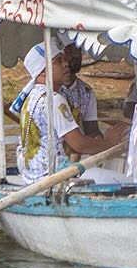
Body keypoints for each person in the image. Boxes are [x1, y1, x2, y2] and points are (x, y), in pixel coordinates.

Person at [15, 43, 125, 187]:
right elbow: (79, 144)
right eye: (59, 61)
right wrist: (110, 143)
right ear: (42, 71)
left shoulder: (31, 97)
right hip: (54, 177)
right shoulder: (54, 100)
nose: (66, 64)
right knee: (128, 183)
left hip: (33, 177)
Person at [59, 42, 103, 139]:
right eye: (69, 51)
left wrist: (100, 140)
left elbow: (92, 129)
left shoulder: (86, 91)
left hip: (75, 149)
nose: (76, 56)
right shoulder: (49, 90)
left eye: (78, 50)